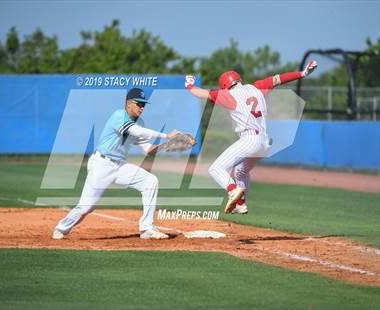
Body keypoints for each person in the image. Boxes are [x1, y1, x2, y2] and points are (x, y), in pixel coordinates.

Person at [185, 61, 318, 214]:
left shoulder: (227, 94)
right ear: (239, 80)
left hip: (250, 139)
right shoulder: (257, 87)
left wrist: (189, 85)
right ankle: (241, 204)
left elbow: (200, 93)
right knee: (240, 172)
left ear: (224, 85)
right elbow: (279, 79)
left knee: (216, 168)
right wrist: (302, 73)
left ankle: (233, 190)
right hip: (264, 143)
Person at [52, 87, 180, 240]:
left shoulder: (141, 122)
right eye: (138, 103)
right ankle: (61, 228)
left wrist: (169, 144)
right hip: (102, 164)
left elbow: (148, 150)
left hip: (119, 166)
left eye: (144, 104)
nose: (142, 107)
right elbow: (136, 132)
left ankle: (146, 229)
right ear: (128, 104)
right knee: (87, 207)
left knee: (150, 181)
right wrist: (166, 135)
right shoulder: (119, 115)